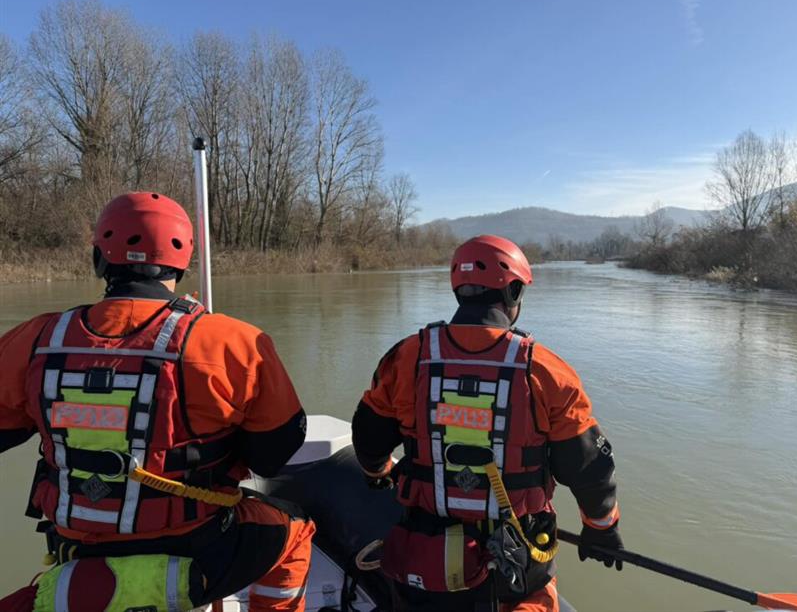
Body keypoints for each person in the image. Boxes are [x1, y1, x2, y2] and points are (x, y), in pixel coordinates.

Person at [0, 192, 314, 612]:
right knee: (295, 529)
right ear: (181, 265)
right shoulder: (229, 340)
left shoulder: (34, 340)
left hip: (75, 553)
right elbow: (273, 456)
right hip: (200, 552)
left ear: (99, 259)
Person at [351, 235, 622, 612]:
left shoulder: (408, 357)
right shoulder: (545, 370)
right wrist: (601, 528)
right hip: (515, 568)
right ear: (512, 292)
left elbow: (368, 434)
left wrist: (379, 471)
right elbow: (588, 467)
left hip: (426, 558)